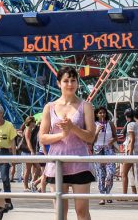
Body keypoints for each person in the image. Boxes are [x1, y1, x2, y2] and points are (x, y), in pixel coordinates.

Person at [40, 67, 96, 220]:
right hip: (57, 164)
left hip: (80, 164)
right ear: (59, 83)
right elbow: (43, 138)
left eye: (73, 80)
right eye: (66, 81)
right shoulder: (49, 107)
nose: (70, 84)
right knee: (60, 212)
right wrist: (62, 134)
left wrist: (73, 128)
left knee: (82, 211)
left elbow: (90, 137)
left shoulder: (86, 106)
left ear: (78, 83)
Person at [91, 107, 115, 204]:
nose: (102, 114)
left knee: (110, 172)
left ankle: (108, 192)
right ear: (96, 114)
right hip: (98, 149)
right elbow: (92, 140)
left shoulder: (110, 123)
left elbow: (115, 137)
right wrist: (97, 131)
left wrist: (112, 141)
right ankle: (102, 195)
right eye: (100, 113)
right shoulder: (94, 125)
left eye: (104, 113)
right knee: (101, 174)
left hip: (108, 149)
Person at [119, 109, 138, 197]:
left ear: (126, 116)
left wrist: (129, 154)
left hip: (131, 150)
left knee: (124, 173)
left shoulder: (129, 125)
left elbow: (131, 140)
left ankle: (125, 195)